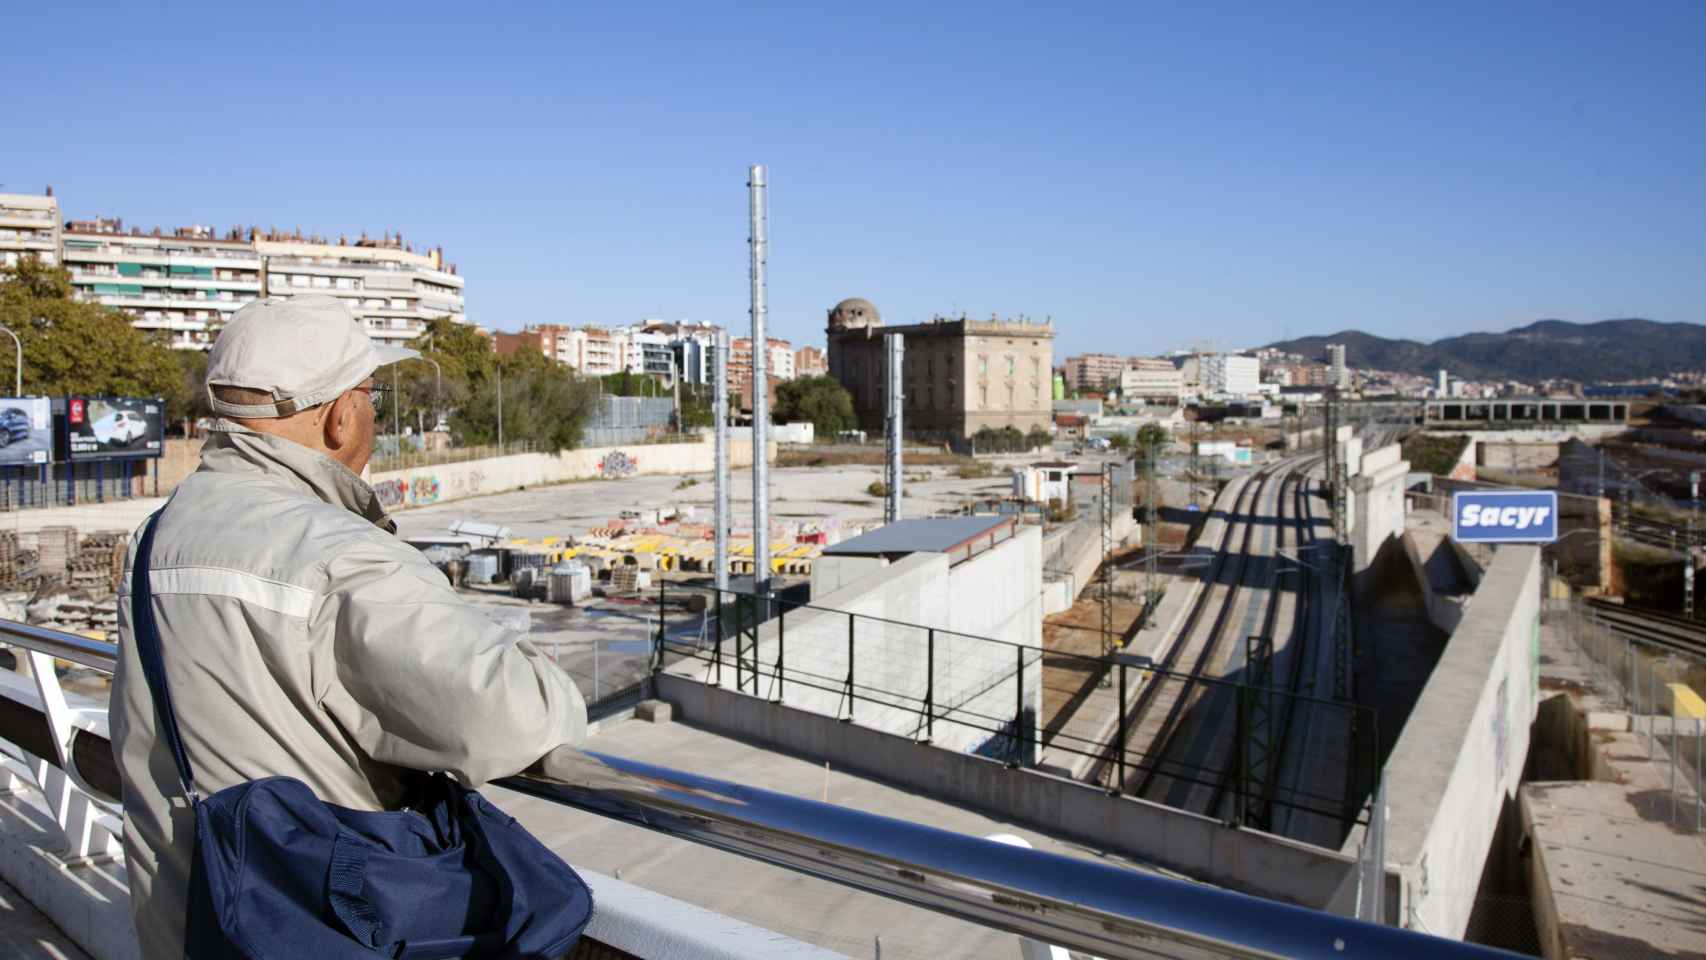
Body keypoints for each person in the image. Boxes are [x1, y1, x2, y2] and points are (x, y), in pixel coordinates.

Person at [111, 295, 587, 958]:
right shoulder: (340, 554)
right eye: (373, 394)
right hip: (317, 927)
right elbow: (510, 717)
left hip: (186, 925)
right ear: (341, 415)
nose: (372, 413)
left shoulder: (155, 538)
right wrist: (543, 676)